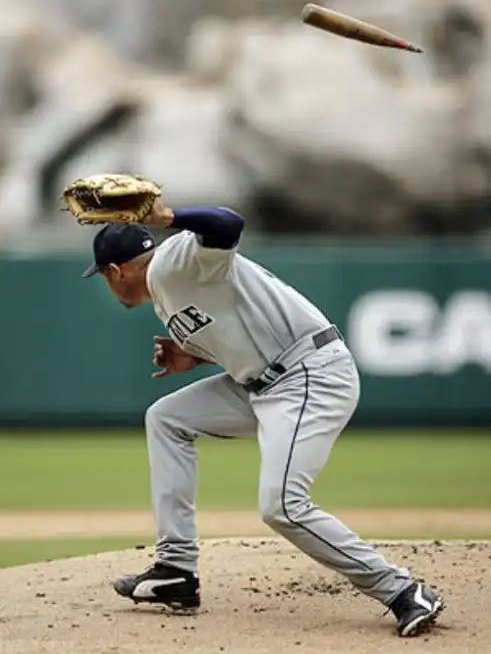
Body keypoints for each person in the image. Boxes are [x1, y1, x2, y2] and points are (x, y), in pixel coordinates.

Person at [81, 200, 443, 637]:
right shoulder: (167, 292)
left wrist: (169, 219)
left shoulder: (171, 261)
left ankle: (403, 591)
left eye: (104, 276)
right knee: (167, 419)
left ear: (116, 271)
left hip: (309, 376)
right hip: (265, 384)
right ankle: (176, 570)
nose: (107, 284)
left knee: (283, 506)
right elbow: (243, 329)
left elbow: (228, 224)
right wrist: (196, 357)